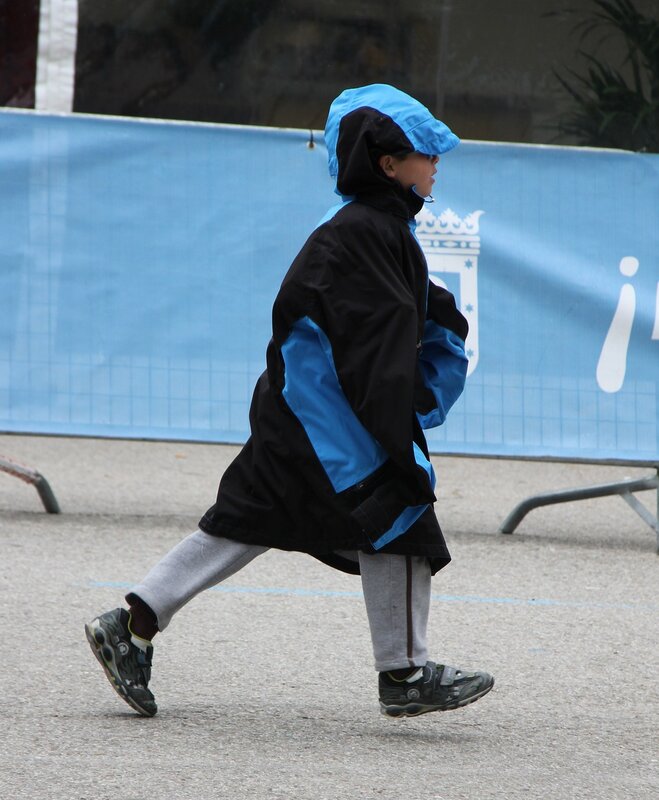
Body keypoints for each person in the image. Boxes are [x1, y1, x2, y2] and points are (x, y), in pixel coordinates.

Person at [85, 84, 494, 720]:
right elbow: (373, 354)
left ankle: (131, 622)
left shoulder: (371, 231)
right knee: (402, 514)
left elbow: (392, 328)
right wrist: (400, 439)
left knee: (244, 521)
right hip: (326, 428)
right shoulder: (368, 235)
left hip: (296, 417)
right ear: (388, 165)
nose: (437, 163)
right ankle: (405, 674)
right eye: (425, 152)